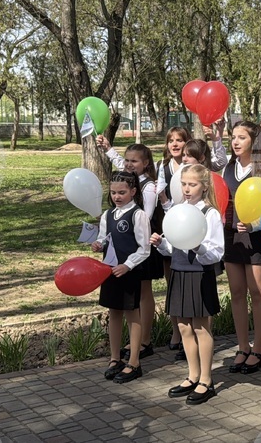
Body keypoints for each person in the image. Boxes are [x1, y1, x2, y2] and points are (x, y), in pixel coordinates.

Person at [151, 164, 225, 405]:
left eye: (192, 184)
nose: (187, 189)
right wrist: (160, 244)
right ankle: (192, 374)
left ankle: (206, 379)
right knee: (183, 326)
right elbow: (173, 246)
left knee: (201, 327)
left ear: (204, 187)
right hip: (179, 272)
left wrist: (198, 246)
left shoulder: (209, 213)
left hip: (199, 275)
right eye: (184, 184)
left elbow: (216, 252)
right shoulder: (177, 210)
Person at [95, 136, 161, 363]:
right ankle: (123, 352)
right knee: (119, 307)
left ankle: (143, 341)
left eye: (135, 161)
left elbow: (148, 216)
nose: (129, 164)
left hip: (138, 247)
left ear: (146, 164)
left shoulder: (148, 187)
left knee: (141, 296)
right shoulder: (120, 192)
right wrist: (108, 149)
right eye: (127, 160)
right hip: (117, 256)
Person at [222, 121, 261, 374]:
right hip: (231, 237)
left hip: (257, 239)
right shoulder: (228, 167)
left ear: (253, 141)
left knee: (258, 293)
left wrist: (254, 225)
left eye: (241, 137)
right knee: (236, 292)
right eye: (233, 137)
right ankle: (242, 346)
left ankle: (259, 349)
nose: (235, 142)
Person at [91, 171, 153, 384]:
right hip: (110, 271)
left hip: (128, 272)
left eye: (122, 192)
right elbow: (103, 237)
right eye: (113, 192)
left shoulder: (138, 215)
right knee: (113, 313)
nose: (117, 196)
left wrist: (127, 265)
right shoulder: (108, 215)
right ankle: (115, 357)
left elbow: (144, 249)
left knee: (132, 314)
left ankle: (134, 361)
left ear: (133, 191)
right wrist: (98, 244)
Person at [155, 126, 192, 354]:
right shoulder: (163, 167)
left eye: (179, 140)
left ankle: (190, 331)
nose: (175, 144)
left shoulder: (192, 167)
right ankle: (176, 331)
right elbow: (161, 193)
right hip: (170, 224)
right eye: (171, 141)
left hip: (190, 225)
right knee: (172, 283)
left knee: (188, 280)